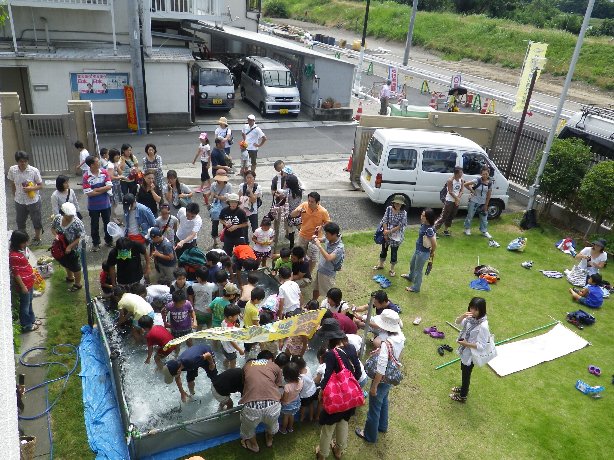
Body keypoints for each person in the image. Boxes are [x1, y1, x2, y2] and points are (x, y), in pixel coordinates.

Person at [355, 309, 405, 443]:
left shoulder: (386, 345)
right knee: (383, 400)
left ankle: (370, 435)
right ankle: (382, 426)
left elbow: (381, 368)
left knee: (374, 407)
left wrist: (374, 387)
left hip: (382, 378)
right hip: (391, 376)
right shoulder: (400, 335)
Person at [316, 320, 362, 460]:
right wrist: (348, 385)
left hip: (337, 398)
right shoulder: (351, 348)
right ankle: (339, 450)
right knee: (343, 422)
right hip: (349, 397)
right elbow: (358, 372)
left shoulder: (331, 354)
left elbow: (328, 375)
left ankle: (322, 454)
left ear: (329, 337)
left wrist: (321, 392)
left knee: (328, 427)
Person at [239, 349, 282, 453]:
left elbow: (245, 384)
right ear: (271, 359)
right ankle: (269, 440)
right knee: (272, 425)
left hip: (252, 407)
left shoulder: (247, 365)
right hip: (272, 406)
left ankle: (254, 446)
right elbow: (278, 386)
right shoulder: (275, 366)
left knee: (248, 429)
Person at [449, 297, 491, 402]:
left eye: (476, 310)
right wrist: (463, 315)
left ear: (481, 310)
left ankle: (463, 396)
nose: (473, 311)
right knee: (464, 371)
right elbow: (457, 322)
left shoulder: (483, 326)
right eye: (471, 308)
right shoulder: (470, 319)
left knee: (466, 374)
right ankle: (463, 389)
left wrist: (466, 344)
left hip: (470, 354)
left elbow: (482, 346)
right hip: (465, 351)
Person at [8, 151, 44, 245]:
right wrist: (14, 194)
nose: (23, 163)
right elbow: (12, 183)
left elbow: (40, 185)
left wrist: (31, 188)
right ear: (17, 161)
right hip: (19, 200)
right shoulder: (13, 170)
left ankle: (37, 237)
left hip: (33, 200)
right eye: (20, 161)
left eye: (25, 161)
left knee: (36, 220)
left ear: (27, 161)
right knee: (20, 221)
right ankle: (23, 239)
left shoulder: (34, 171)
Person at [290, 192, 330, 274]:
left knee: (312, 258)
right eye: (309, 200)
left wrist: (321, 227)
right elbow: (292, 215)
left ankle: (308, 274)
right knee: (298, 255)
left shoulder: (323, 211)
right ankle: (296, 271)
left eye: (312, 202)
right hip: (302, 235)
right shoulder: (304, 205)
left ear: (317, 202)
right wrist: (297, 210)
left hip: (315, 238)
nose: (309, 203)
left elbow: (328, 223)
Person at [9, 230, 40, 332]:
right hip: (24, 285)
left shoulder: (20, 251)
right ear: (18, 242)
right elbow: (16, 273)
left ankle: (32, 320)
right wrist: (23, 287)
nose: (26, 244)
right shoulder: (13, 255)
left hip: (29, 282)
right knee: (25, 306)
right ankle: (26, 325)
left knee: (29, 302)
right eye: (24, 242)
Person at [51, 202, 85, 292]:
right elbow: (53, 228)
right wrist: (56, 235)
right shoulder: (58, 218)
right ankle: (70, 277)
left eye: (72, 215)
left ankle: (78, 284)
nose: (71, 217)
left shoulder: (77, 223)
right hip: (61, 246)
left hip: (73, 249)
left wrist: (70, 246)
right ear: (63, 214)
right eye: (69, 215)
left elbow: (81, 237)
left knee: (75, 266)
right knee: (65, 262)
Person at [82, 155, 113, 251]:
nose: (99, 162)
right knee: (94, 225)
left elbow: (109, 186)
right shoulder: (86, 176)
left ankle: (109, 241)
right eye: (97, 161)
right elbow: (89, 193)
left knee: (107, 223)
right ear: (91, 165)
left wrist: (97, 189)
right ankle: (95, 243)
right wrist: (103, 189)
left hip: (105, 204)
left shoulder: (104, 172)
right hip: (93, 206)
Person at [402, 208, 437, 293]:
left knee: (418, 270)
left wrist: (432, 252)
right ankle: (410, 276)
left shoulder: (429, 229)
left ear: (428, 218)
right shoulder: (423, 225)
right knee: (412, 264)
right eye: (422, 214)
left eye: (423, 216)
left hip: (422, 253)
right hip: (418, 250)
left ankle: (416, 288)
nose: (421, 216)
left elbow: (434, 243)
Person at [373, 194, 407, 277]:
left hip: (396, 235)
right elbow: (384, 220)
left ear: (402, 204)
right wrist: (385, 232)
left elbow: (400, 226)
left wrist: (389, 231)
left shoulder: (404, 213)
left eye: (399, 204)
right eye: (395, 203)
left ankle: (392, 269)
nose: (397, 205)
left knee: (394, 252)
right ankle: (381, 265)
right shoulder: (389, 209)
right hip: (386, 231)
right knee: (383, 249)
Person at [312, 222, 345, 301]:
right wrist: (315, 236)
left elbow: (329, 258)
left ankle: (328, 308)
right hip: (320, 269)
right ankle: (313, 302)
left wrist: (319, 246)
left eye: (327, 234)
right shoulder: (328, 238)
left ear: (334, 235)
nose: (325, 235)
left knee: (328, 294)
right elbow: (320, 240)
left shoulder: (339, 248)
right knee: (316, 288)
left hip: (327, 273)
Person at [463, 165, 493, 238]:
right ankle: (467, 229)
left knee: (484, 217)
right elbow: (465, 184)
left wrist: (486, 205)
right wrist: (472, 191)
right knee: (470, 215)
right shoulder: (477, 180)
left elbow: (489, 195)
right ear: (481, 174)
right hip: (474, 201)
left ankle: (484, 231)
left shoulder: (490, 183)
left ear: (488, 173)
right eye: (483, 174)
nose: (485, 175)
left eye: (486, 174)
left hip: (483, 203)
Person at [434, 166, 464, 236]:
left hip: (456, 201)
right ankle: (434, 229)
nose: (462, 173)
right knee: (444, 216)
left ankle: (446, 230)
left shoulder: (461, 180)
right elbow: (450, 191)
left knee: (451, 216)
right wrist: (457, 199)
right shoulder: (450, 180)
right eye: (460, 172)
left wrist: (457, 199)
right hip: (449, 201)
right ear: (456, 173)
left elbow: (462, 190)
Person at [209, 169, 232, 249]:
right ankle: (215, 241)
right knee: (214, 224)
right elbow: (212, 196)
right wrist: (216, 197)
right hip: (216, 208)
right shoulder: (213, 185)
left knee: (225, 225)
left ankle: (225, 240)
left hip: (225, 208)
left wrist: (217, 196)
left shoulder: (229, 186)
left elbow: (227, 198)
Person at [279, 362, 304, 435]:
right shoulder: (300, 381)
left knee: (286, 417)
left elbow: (285, 399)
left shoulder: (287, 387)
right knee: (292, 415)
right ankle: (290, 428)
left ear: (286, 375)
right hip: (296, 403)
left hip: (288, 405)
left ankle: (283, 429)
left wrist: (280, 398)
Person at [221, 304, 244, 369]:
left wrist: (235, 325)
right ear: (230, 317)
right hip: (230, 349)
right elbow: (232, 341)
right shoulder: (229, 328)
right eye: (236, 316)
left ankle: (224, 367)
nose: (237, 317)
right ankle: (232, 372)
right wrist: (239, 350)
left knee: (227, 358)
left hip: (224, 346)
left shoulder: (224, 321)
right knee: (233, 363)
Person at [295, 356, 318, 422]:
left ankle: (302, 418)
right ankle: (311, 417)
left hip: (305, 395)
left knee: (303, 407)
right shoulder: (307, 368)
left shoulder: (300, 377)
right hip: (313, 390)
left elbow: (299, 388)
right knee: (311, 404)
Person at [284, 174, 304, 248]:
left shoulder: (287, 192)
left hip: (290, 215)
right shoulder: (300, 191)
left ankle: (291, 246)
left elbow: (279, 192)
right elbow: (301, 184)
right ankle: (302, 244)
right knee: (300, 230)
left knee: (290, 231)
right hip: (298, 214)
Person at [108, 148, 124, 224]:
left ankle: (114, 216)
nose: (118, 156)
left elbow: (120, 172)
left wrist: (117, 166)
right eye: (116, 155)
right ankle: (113, 218)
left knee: (116, 202)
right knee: (113, 202)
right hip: (112, 186)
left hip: (117, 185)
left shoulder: (115, 163)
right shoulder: (110, 165)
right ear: (112, 156)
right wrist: (120, 178)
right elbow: (110, 177)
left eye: (118, 155)